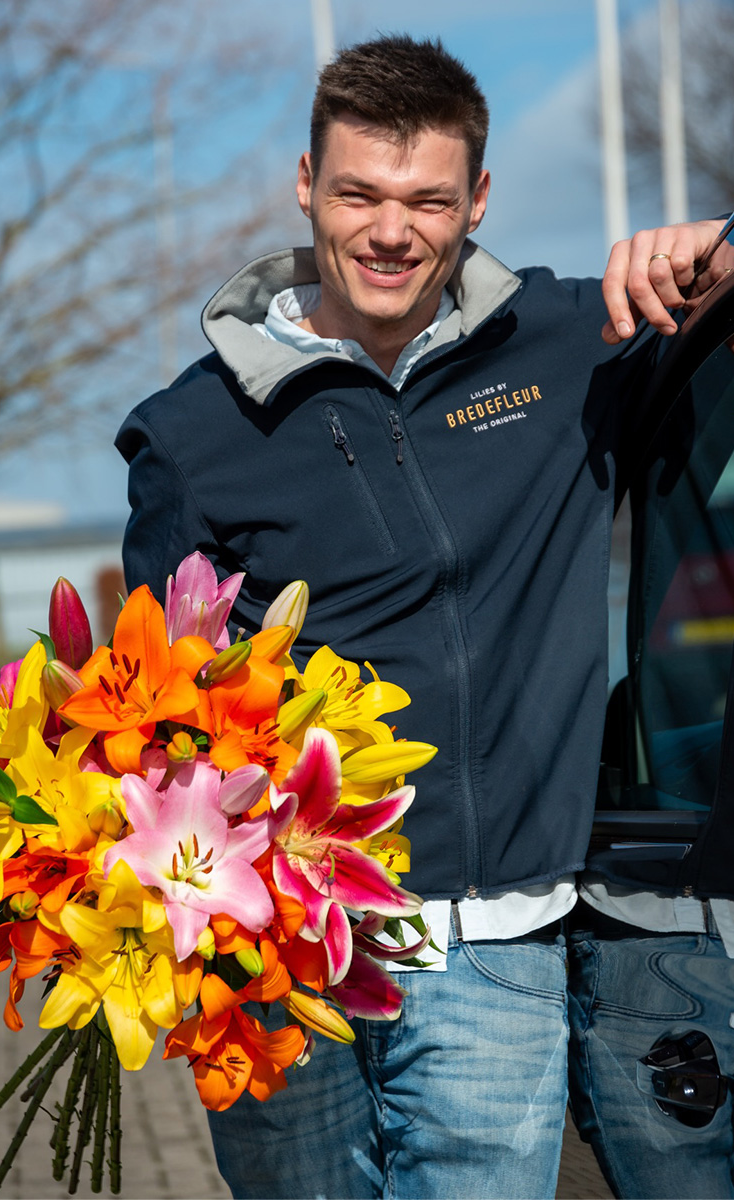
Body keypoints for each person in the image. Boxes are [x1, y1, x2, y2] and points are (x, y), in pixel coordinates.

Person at [114, 34, 729, 1200]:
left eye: (427, 199)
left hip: (497, 952)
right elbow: (154, 721)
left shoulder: (577, 346)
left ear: (477, 200)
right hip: (279, 968)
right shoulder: (188, 433)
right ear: (306, 184)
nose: (391, 229)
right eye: (358, 192)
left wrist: (719, 244)